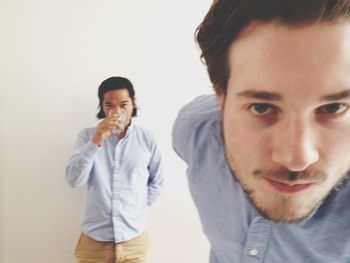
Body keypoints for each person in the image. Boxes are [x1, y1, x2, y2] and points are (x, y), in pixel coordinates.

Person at [172, 0, 350, 262]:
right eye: (262, 107)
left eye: (334, 108)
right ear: (220, 96)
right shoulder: (195, 131)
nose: (297, 158)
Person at [66, 76, 164, 263]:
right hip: (94, 243)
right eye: (109, 105)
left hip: (133, 242)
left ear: (133, 103)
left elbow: (158, 181)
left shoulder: (147, 139)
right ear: (102, 107)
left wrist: (135, 207)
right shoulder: (87, 136)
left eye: (123, 104)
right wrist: (96, 141)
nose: (116, 111)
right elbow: (73, 180)